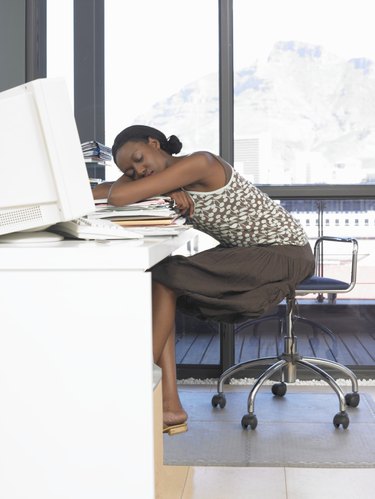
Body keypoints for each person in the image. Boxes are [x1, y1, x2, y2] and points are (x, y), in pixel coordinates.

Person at [92, 124, 315, 435]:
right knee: (162, 284)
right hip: (253, 252)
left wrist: (154, 185)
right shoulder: (174, 177)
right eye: (130, 171)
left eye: (140, 159)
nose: (139, 171)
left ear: (155, 143)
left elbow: (118, 197)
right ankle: (170, 406)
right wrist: (161, 185)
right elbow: (111, 192)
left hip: (283, 253)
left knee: (164, 279)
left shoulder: (201, 162)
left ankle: (135, 381)